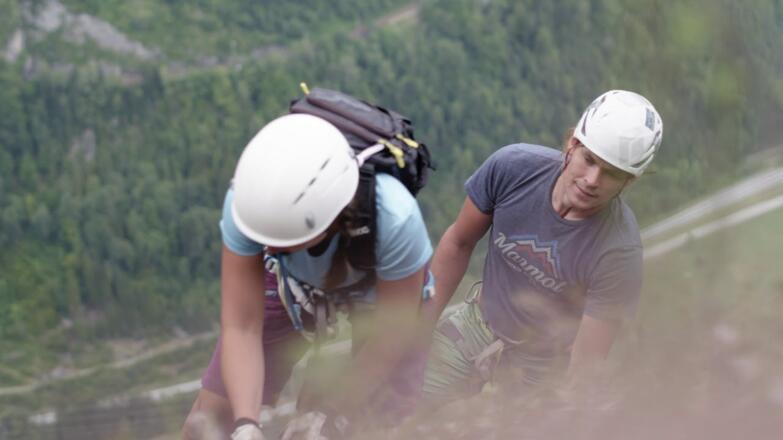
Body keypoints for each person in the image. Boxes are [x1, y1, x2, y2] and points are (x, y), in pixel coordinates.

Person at [181, 114, 433, 439]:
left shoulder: (395, 217)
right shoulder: (246, 205)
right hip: (289, 279)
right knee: (209, 419)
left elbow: (392, 332)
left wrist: (333, 413)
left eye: (282, 241)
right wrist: (245, 423)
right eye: (262, 238)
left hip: (381, 290)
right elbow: (241, 326)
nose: (267, 248)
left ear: (326, 224)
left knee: (380, 421)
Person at [420, 90, 663, 407]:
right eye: (589, 160)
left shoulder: (619, 251)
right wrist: (415, 332)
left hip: (540, 369)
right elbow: (458, 243)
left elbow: (586, 364)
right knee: (396, 407)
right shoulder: (513, 169)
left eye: (612, 173)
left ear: (629, 181)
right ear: (572, 144)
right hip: (475, 325)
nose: (592, 180)